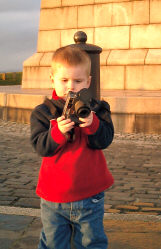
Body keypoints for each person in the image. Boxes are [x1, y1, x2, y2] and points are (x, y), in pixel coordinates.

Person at [30, 46, 114, 249]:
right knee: (52, 244)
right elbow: (41, 147)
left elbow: (104, 140)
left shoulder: (98, 108)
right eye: (64, 80)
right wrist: (57, 132)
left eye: (78, 81)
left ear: (88, 82)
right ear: (52, 80)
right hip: (53, 197)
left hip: (90, 195)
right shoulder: (43, 112)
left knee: (91, 243)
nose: (71, 87)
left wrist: (93, 123)